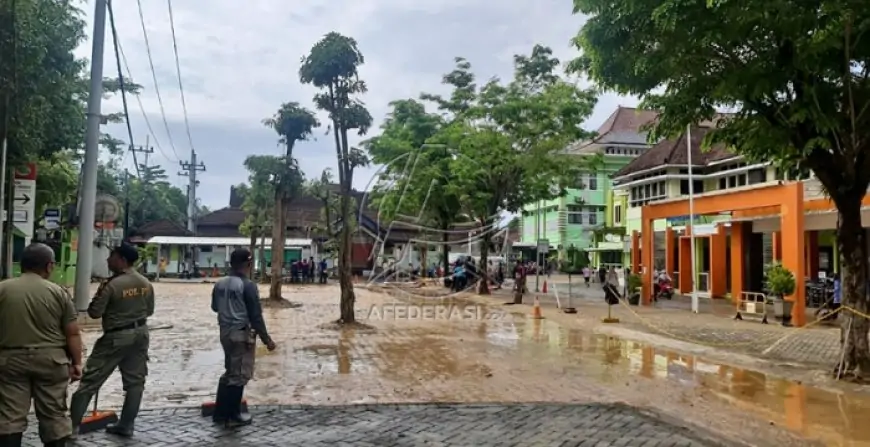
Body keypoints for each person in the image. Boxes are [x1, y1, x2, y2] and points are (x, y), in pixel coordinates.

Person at [0, 244, 82, 447]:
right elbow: (72, 332)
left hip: (9, 361)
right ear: (49, 266)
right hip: (52, 361)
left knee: (9, 416)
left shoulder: (3, 289)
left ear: (22, 264)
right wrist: (77, 363)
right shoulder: (58, 292)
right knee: (54, 415)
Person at [69, 244, 154, 438]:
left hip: (115, 337)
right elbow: (149, 311)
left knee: (89, 382)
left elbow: (94, 312)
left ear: (122, 260)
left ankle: (71, 428)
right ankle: (126, 425)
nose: (108, 260)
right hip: (140, 334)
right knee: (135, 383)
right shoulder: (145, 282)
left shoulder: (112, 284)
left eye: (111, 257)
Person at [210, 248, 277, 427]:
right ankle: (233, 416)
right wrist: (267, 340)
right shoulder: (247, 285)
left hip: (224, 333)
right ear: (248, 264)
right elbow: (256, 316)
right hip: (241, 334)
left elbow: (215, 307)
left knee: (230, 372)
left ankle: (220, 413)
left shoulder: (219, 284)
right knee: (239, 375)